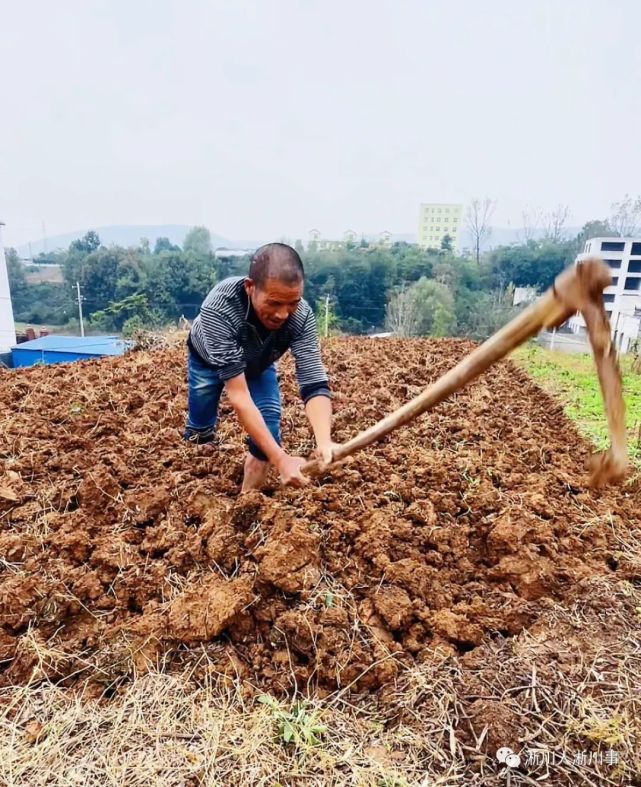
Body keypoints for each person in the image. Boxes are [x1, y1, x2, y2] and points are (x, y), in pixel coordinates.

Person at [184, 242, 337, 491]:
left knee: (269, 429)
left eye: (292, 303)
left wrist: (324, 442)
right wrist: (282, 460)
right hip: (207, 359)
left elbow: (314, 383)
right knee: (200, 429)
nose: (283, 314)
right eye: (274, 303)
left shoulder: (302, 316)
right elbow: (239, 395)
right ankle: (192, 478)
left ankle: (247, 502)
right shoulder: (220, 308)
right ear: (249, 287)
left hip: (258, 363)